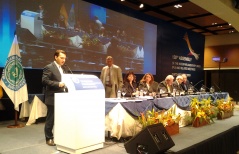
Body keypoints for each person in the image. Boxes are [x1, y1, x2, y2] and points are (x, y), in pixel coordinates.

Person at [42, 49, 67, 146]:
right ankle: (49, 138)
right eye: (61, 58)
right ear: (55, 57)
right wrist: (58, 84)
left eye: (64, 58)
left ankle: (60, 136)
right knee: (51, 119)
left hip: (62, 97)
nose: (63, 60)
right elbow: (44, 81)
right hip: (52, 97)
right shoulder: (49, 67)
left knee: (60, 118)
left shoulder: (62, 68)